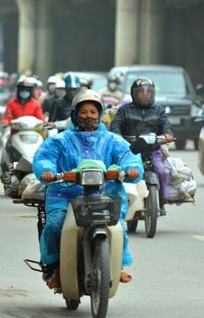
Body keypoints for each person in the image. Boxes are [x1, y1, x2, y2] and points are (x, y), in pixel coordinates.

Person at [33, 89, 143, 288]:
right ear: (75, 113)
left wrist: (131, 169)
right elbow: (45, 158)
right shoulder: (59, 140)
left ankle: (116, 265)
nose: (88, 116)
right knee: (55, 225)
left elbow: (129, 156)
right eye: (83, 112)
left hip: (106, 193)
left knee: (119, 227)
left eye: (93, 111)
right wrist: (48, 171)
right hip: (65, 194)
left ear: (100, 114)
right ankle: (55, 266)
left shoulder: (113, 140)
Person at [110, 77, 174, 212]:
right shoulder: (124, 110)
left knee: (161, 171)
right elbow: (116, 124)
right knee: (121, 174)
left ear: (153, 93)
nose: (145, 95)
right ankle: (121, 200)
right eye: (141, 93)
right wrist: (117, 135)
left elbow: (165, 124)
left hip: (152, 150)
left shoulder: (159, 110)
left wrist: (168, 134)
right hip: (131, 151)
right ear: (134, 94)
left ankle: (162, 200)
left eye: (148, 93)